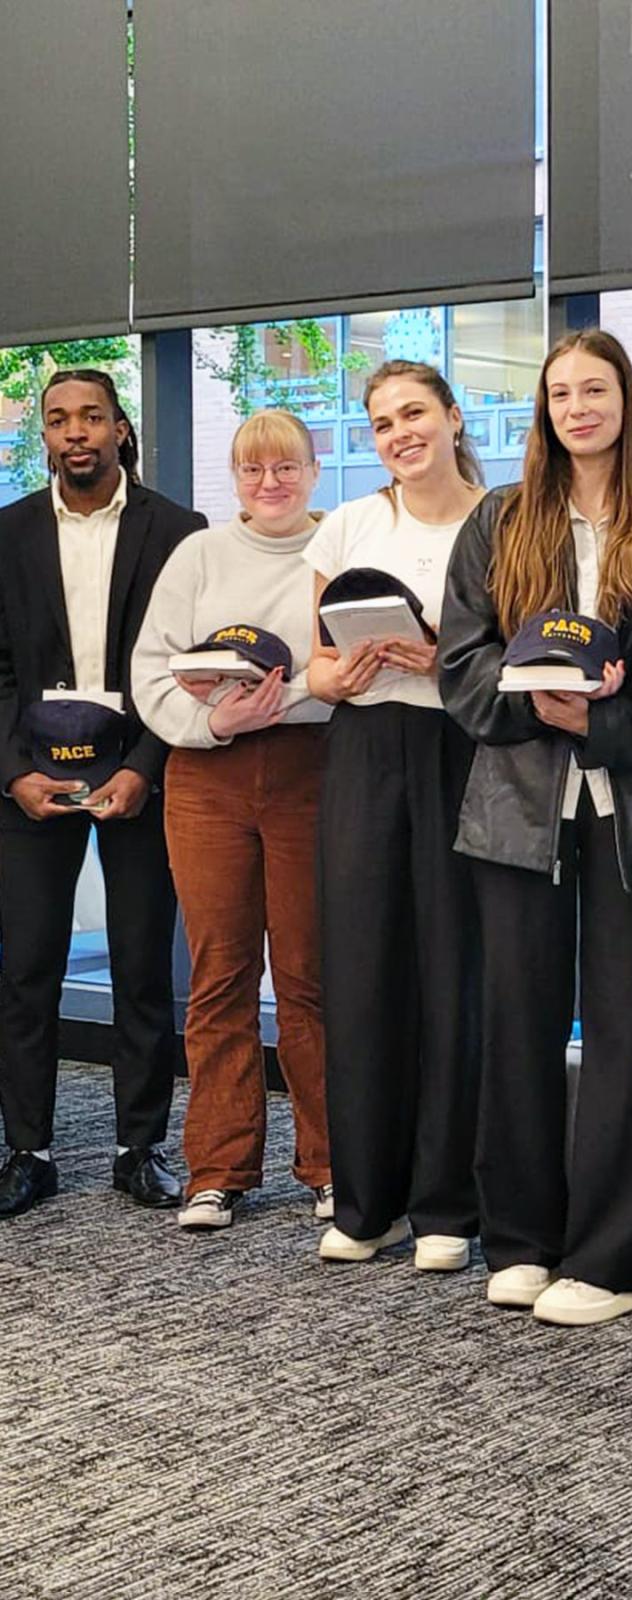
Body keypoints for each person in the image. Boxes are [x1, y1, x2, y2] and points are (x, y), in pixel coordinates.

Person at [439, 330, 632, 1323]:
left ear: (626, 398)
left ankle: (614, 1260)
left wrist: (607, 719)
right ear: (543, 410)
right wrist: (540, 700)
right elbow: (460, 663)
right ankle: (525, 1239)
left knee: (626, 1030)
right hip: (517, 810)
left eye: (596, 388)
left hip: (631, 808)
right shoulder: (499, 519)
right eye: (561, 392)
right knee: (519, 1022)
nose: (578, 406)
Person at [0, 369, 206, 1218]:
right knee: (26, 968)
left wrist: (143, 769)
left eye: (91, 417)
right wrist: (13, 773)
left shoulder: (179, 531)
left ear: (121, 428)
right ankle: (29, 1151)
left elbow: (184, 663)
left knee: (141, 966)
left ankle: (139, 1147)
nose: (74, 432)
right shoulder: (6, 533)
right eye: (58, 420)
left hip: (138, 773)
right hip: (28, 780)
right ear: (44, 436)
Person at [130, 410, 333, 1232]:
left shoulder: (339, 548)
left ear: (315, 471)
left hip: (309, 771)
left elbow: (348, 660)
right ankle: (217, 1167)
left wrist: (283, 701)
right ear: (234, 479)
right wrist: (217, 723)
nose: (270, 484)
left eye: (285, 467)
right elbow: (151, 671)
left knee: (309, 977)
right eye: (252, 471)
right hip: (206, 776)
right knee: (220, 976)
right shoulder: (201, 554)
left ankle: (331, 1166)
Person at [306, 360, 485, 1271]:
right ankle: (365, 1199)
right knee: (364, 966)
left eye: (414, 412)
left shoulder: (498, 521)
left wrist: (438, 658)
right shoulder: (349, 523)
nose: (399, 433)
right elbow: (314, 663)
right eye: (381, 423)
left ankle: (447, 1206)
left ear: (453, 418)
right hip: (366, 750)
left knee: (453, 970)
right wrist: (333, 674)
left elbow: (515, 648)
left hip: (461, 750)